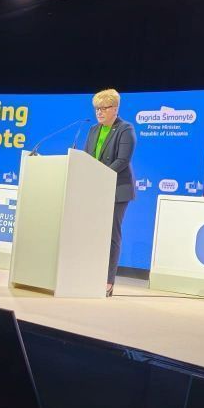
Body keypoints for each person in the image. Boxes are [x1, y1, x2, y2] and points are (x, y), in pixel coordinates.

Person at [82, 89, 136, 297]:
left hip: (117, 190)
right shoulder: (93, 130)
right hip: (96, 190)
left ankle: (107, 281)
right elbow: (86, 157)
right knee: (92, 233)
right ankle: (88, 275)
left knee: (111, 235)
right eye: (97, 108)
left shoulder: (125, 129)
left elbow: (122, 161)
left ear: (115, 109)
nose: (99, 112)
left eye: (104, 108)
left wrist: (100, 176)